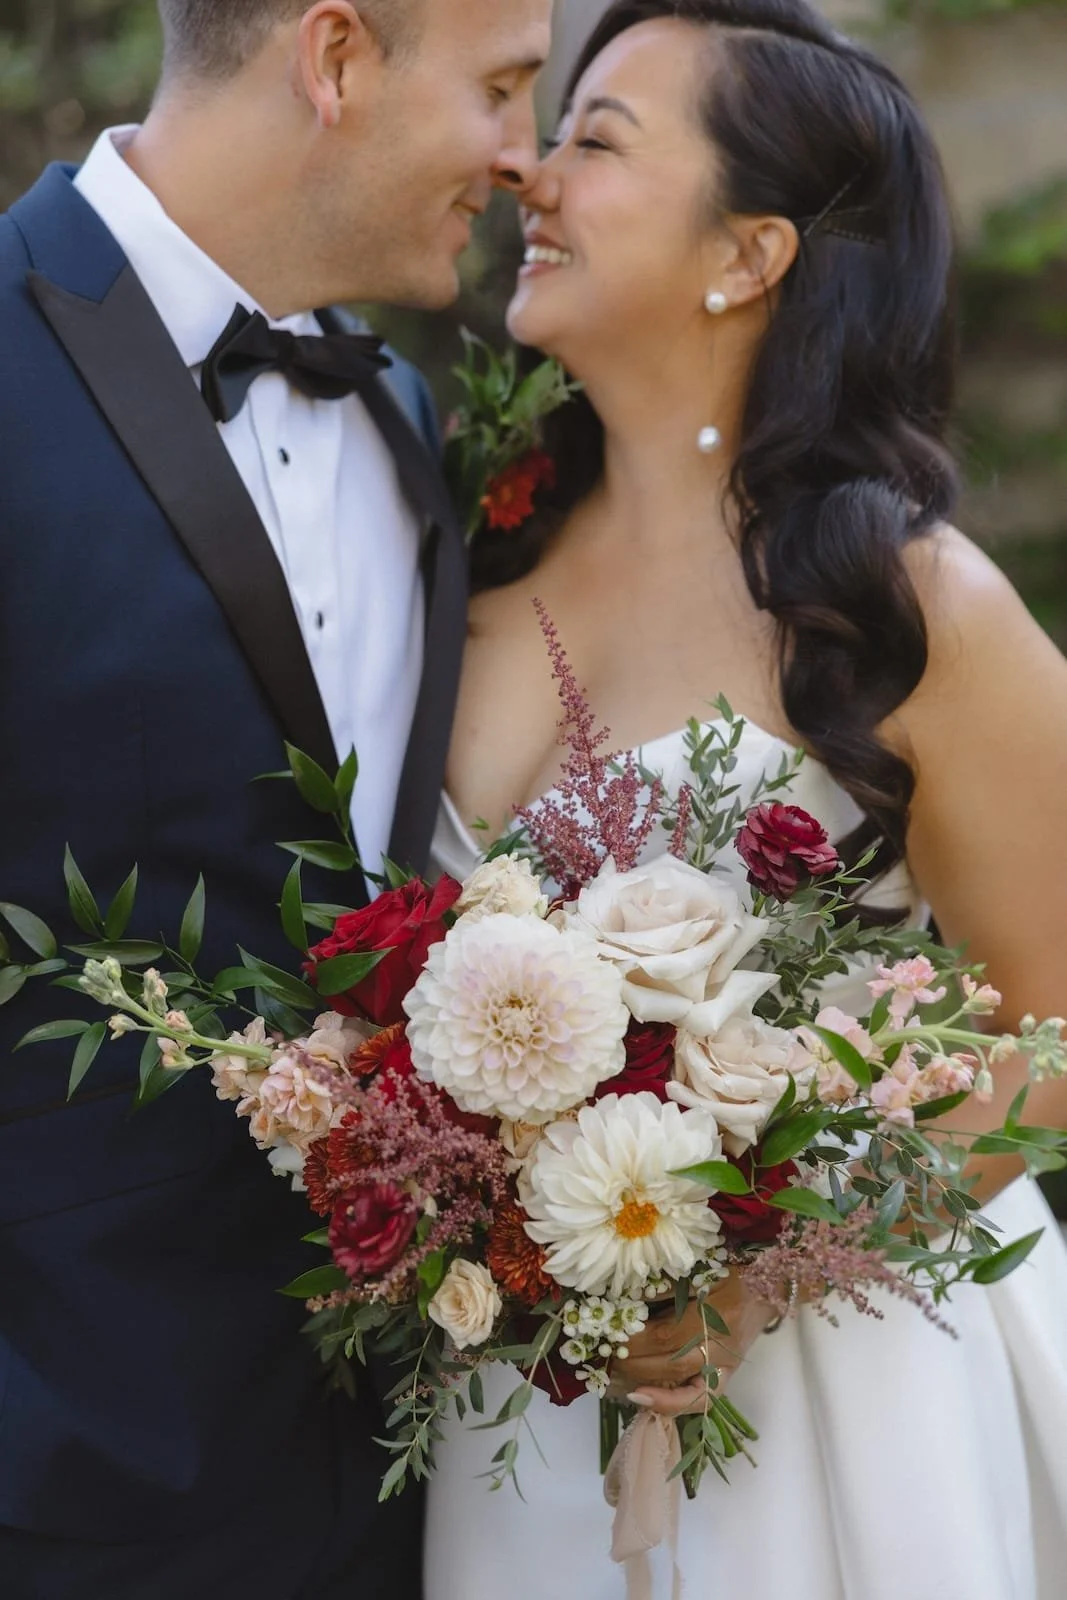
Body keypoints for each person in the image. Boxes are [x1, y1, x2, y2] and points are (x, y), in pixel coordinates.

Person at [425, 1, 1067, 1595]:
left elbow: (1051, 1027)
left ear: (749, 252)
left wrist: (761, 1269)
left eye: (595, 139)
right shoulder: (462, 555)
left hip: (837, 1395)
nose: (532, 175)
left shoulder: (906, 604)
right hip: (514, 1398)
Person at [0, 2, 551, 1597]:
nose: (523, 157)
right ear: (334, 60)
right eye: (503, 89)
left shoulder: (403, 410)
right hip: (58, 1479)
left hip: (401, 1468)